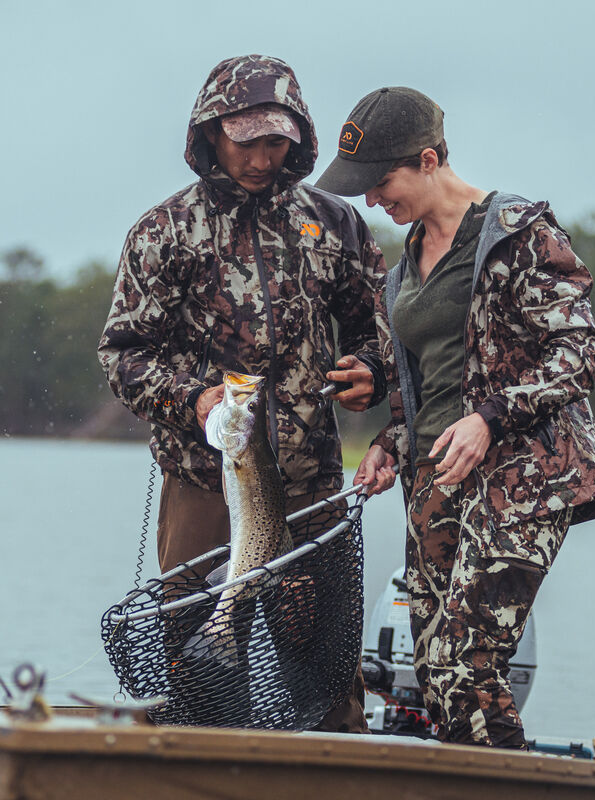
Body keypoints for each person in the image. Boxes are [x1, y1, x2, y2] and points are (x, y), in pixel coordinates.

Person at [316, 87, 595, 749]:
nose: (373, 201)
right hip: (435, 484)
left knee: (467, 657)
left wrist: (490, 416)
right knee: (434, 667)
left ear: (429, 159)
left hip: (519, 481)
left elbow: (578, 351)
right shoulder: (404, 268)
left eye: (383, 181)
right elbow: (431, 381)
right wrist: (393, 442)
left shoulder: (518, 233)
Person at [98, 55, 387, 733]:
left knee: (326, 676)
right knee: (195, 669)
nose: (263, 156)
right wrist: (194, 399)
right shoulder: (164, 230)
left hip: (314, 485)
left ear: (299, 139)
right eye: (247, 138)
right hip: (204, 482)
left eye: (277, 140)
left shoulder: (336, 223)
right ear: (212, 132)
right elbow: (122, 353)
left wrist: (371, 368)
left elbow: (384, 325)